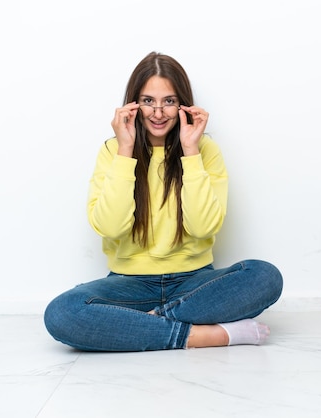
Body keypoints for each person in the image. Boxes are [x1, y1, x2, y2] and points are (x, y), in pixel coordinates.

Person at [44, 52, 283, 352]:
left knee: (265, 277)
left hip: (194, 283)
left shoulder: (204, 150)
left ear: (183, 104)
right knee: (62, 313)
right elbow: (110, 228)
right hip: (129, 283)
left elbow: (202, 227)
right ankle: (205, 335)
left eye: (169, 101)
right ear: (133, 104)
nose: (158, 113)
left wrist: (190, 151)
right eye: (147, 101)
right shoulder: (113, 151)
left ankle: (145, 324)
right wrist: (126, 150)